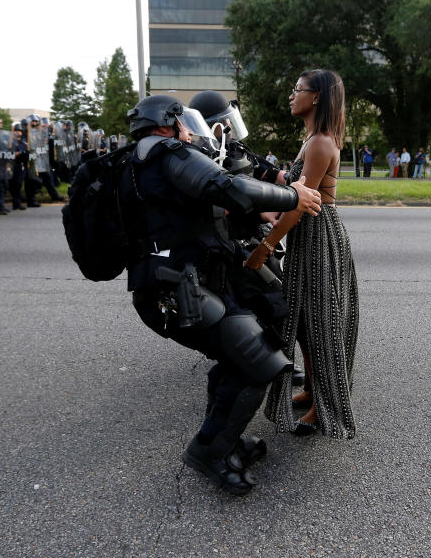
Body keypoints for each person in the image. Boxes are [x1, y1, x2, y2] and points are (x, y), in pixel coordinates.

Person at [120, 94, 322, 495]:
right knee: (257, 362)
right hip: (175, 289)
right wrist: (294, 195)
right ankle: (210, 451)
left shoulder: (139, 158)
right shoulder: (165, 152)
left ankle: (221, 440)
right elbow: (224, 185)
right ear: (169, 123)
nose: (189, 130)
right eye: (183, 123)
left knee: (235, 359)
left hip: (178, 285)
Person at [245, 69, 359, 439]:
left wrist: (265, 247)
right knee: (308, 323)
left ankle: (323, 405)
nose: (292, 95)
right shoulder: (311, 139)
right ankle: (312, 389)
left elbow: (299, 207)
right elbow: (290, 192)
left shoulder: (321, 143)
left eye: (298, 90)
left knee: (320, 324)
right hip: (309, 237)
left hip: (318, 237)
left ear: (317, 98)